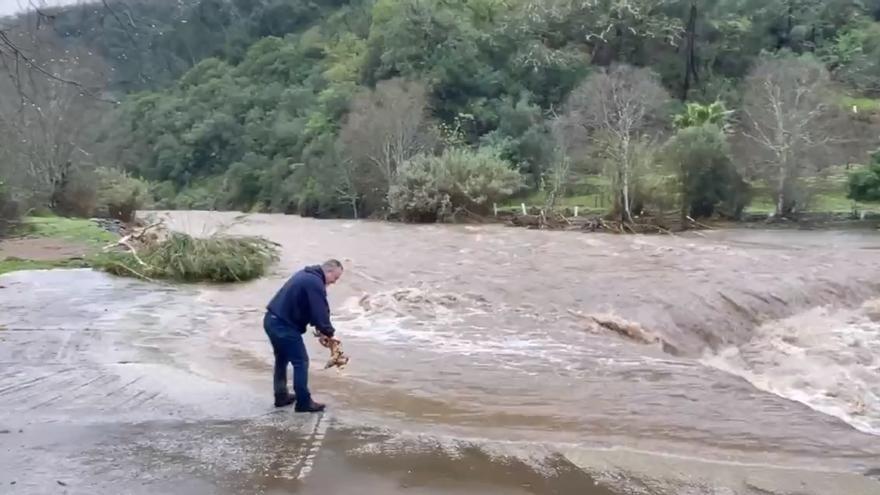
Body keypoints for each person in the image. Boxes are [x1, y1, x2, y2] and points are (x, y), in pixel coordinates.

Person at [264, 259, 343, 412]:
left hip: (271, 320)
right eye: (336, 278)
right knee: (301, 362)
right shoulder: (314, 282)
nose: (335, 282)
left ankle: (281, 396)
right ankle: (303, 402)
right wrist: (328, 333)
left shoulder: (306, 275)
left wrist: (321, 330)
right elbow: (319, 310)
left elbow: (310, 308)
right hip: (283, 326)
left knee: (282, 359)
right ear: (329, 271)